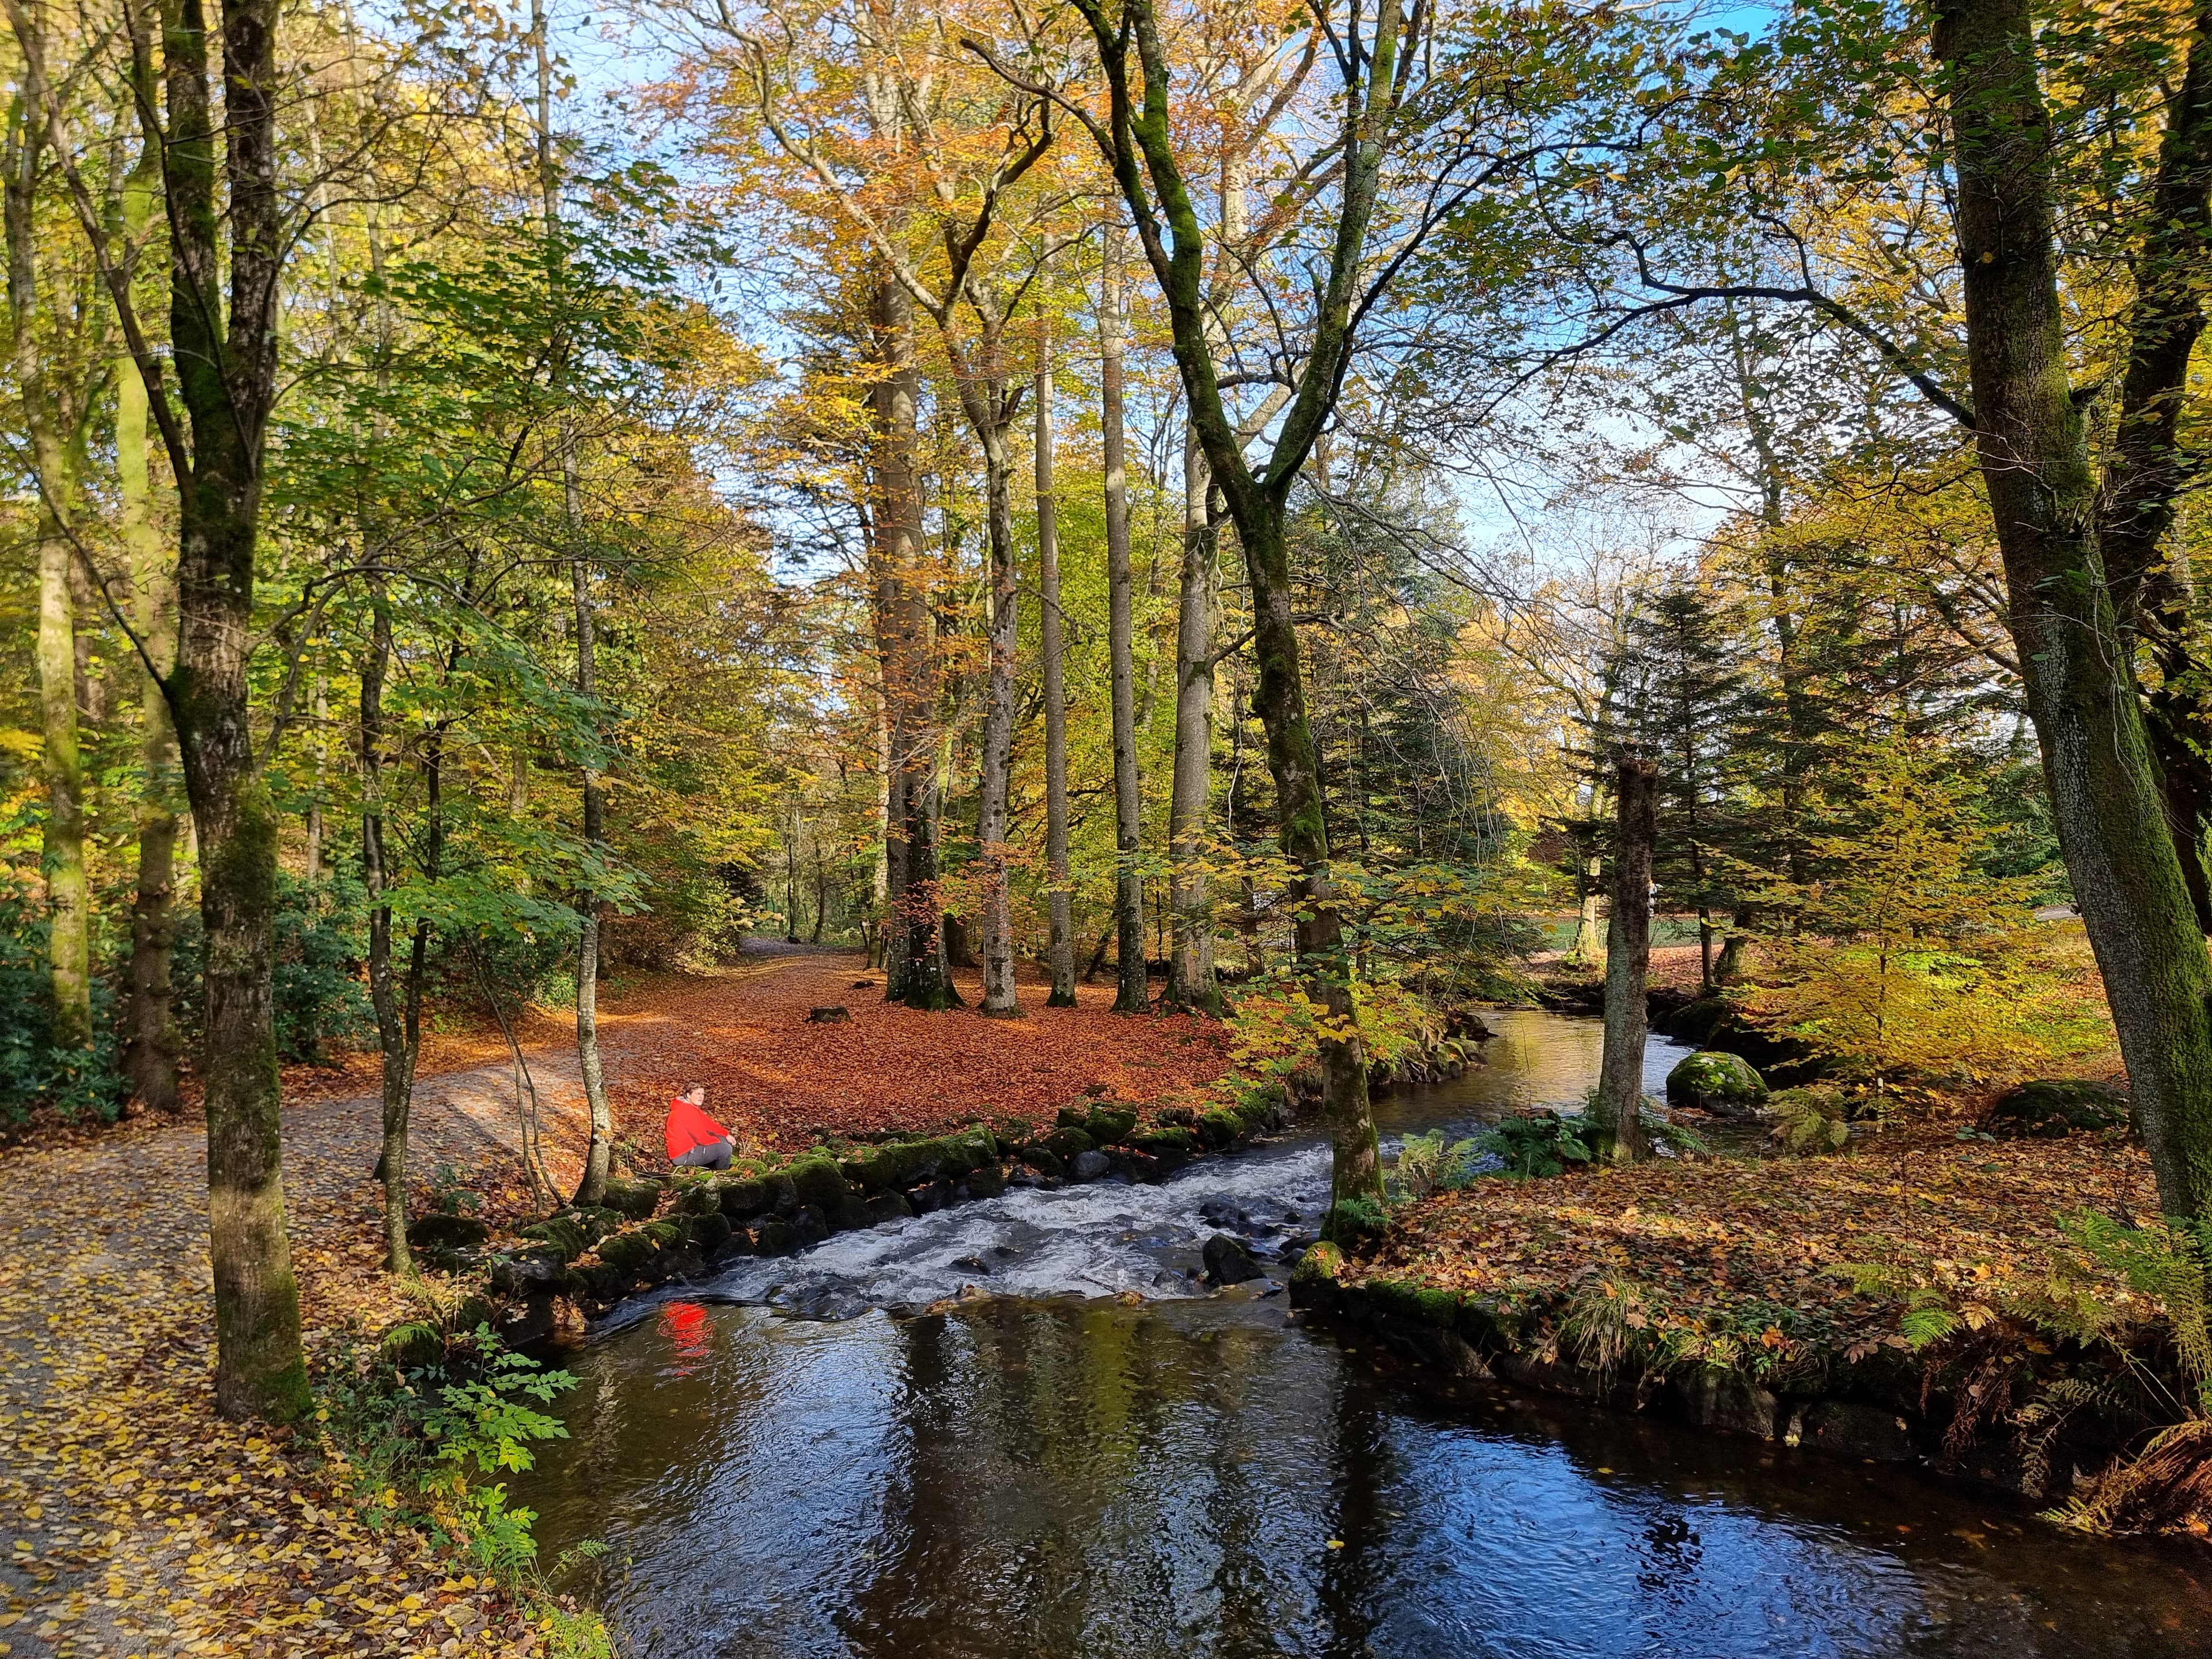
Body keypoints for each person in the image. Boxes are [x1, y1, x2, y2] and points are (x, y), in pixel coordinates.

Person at [665, 1084, 735, 1171]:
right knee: (725, 1149)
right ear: (688, 1095)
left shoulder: (689, 1107)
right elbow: (702, 1139)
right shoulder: (685, 1111)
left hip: (690, 1149)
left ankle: (715, 1168)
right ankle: (721, 1177)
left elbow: (708, 1123)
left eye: (703, 1094)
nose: (701, 1097)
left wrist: (725, 1134)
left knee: (723, 1140)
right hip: (682, 1155)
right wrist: (719, 1143)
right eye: (697, 1094)